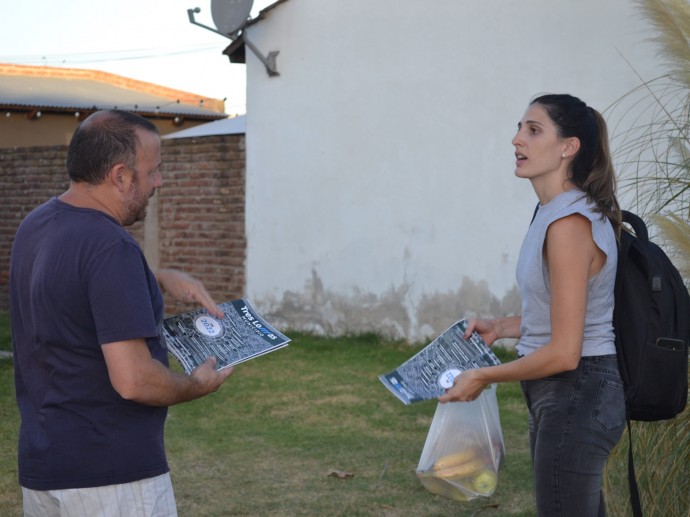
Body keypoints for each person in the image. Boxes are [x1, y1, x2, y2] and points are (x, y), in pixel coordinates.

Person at [9, 109, 234, 516]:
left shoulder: (36, 226)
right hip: (111, 480)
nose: (158, 182)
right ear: (120, 176)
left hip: (45, 471)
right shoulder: (110, 246)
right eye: (153, 172)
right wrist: (195, 384)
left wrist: (158, 278)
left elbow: (75, 285)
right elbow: (134, 380)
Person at [439, 94, 625, 516]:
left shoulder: (568, 225)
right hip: (564, 392)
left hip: (578, 388)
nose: (516, 139)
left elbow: (564, 351)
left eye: (533, 130)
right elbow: (566, 313)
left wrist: (483, 376)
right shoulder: (553, 213)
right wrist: (502, 327)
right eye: (520, 128)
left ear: (568, 147)